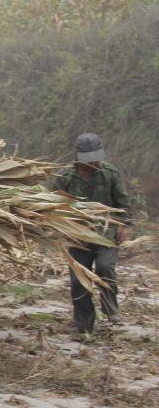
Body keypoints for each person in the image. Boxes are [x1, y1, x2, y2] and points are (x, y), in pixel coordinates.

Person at [51, 133, 132, 333]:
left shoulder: (110, 173)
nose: (93, 163)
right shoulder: (65, 177)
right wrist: (64, 228)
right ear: (78, 157)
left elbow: (122, 203)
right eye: (89, 159)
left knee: (105, 268)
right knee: (79, 280)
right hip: (77, 235)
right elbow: (53, 206)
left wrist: (122, 224)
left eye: (96, 158)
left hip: (106, 232)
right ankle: (83, 324)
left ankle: (111, 310)